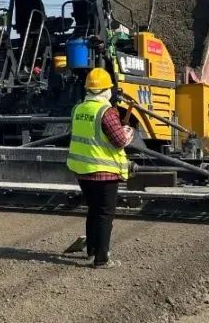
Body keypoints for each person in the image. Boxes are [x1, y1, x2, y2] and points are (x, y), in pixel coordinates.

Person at [66, 67, 133, 269]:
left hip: (83, 170)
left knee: (93, 210)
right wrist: (127, 133)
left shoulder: (78, 109)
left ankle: (92, 251)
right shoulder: (106, 111)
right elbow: (119, 141)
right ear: (105, 90)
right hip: (105, 172)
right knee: (105, 214)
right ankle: (102, 259)